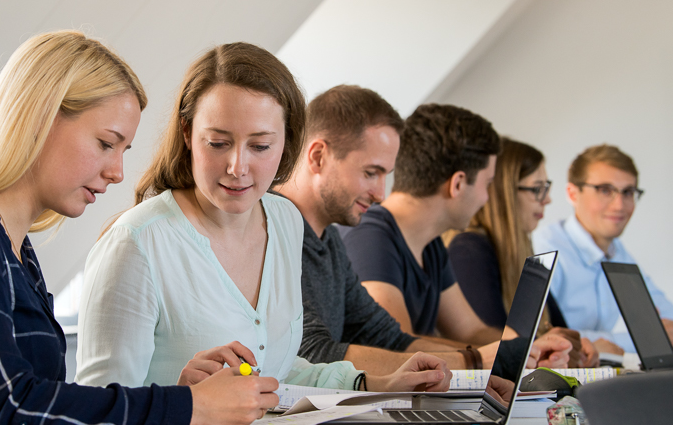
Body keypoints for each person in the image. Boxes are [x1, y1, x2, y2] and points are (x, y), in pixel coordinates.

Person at [0, 31, 284, 425]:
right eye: (106, 143)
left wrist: (179, 392)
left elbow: (47, 409)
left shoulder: (12, 247)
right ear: (39, 118)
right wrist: (187, 405)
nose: (117, 172)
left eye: (123, 150)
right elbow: (8, 412)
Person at [75, 45, 451, 395]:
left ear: (288, 144)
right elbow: (98, 410)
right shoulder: (137, 243)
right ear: (188, 134)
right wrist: (183, 401)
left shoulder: (285, 219)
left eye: (260, 146)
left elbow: (278, 372)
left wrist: (377, 383)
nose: (238, 167)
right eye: (218, 143)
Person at [278, 88, 573, 374]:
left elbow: (388, 338)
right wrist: (475, 362)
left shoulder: (328, 237)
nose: (380, 194)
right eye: (371, 173)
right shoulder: (270, 228)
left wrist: (509, 353)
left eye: (384, 175)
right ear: (317, 157)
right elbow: (310, 353)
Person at [342, 103, 505, 349]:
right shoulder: (369, 237)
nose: (487, 198)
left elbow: (471, 331)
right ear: (458, 184)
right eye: (488, 183)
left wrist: (528, 349)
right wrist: (492, 357)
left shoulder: (430, 244)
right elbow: (397, 345)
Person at [447, 138, 601, 367]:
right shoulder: (468, 250)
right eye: (537, 189)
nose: (547, 199)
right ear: (504, 193)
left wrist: (575, 348)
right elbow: (495, 345)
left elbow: (562, 329)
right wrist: (546, 345)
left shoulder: (523, 256)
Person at [533, 144, 673, 353]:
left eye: (628, 192)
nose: (619, 205)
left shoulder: (619, 254)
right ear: (572, 194)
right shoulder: (544, 249)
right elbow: (545, 337)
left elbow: (667, 320)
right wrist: (641, 339)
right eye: (605, 190)